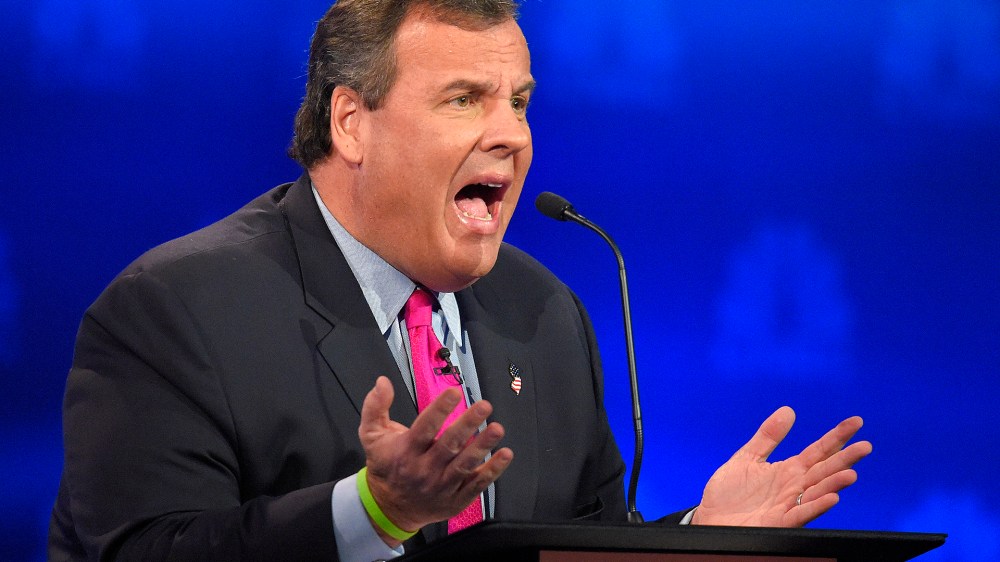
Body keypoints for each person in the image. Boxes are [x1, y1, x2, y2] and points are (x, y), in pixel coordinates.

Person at [48, 1, 872, 560]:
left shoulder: (543, 311)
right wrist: (374, 511)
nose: (511, 135)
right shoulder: (176, 310)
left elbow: (573, 551)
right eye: (464, 99)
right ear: (351, 122)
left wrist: (703, 534)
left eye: (518, 101)